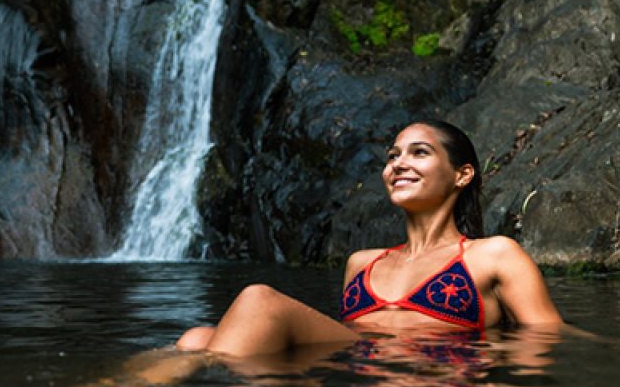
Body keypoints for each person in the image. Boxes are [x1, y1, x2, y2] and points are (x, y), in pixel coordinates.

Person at [175, 120, 561, 357]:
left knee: (258, 300)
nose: (398, 164)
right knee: (194, 338)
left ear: (462, 175)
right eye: (392, 157)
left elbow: (546, 337)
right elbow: (349, 344)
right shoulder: (362, 262)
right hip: (365, 372)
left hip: (437, 381)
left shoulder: (493, 254)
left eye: (419, 153)